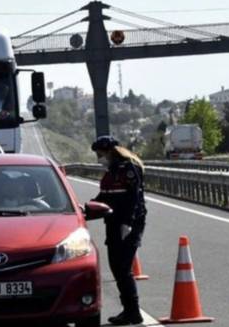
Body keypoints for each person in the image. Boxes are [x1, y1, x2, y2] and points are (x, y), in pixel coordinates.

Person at [91, 135, 147, 325]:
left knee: (123, 268)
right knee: (116, 267)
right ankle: (129, 310)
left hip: (128, 223)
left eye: (100, 154)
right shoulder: (111, 171)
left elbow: (134, 198)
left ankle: (133, 312)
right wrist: (84, 210)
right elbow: (104, 197)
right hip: (113, 223)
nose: (99, 158)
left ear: (109, 151)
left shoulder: (128, 168)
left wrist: (128, 223)